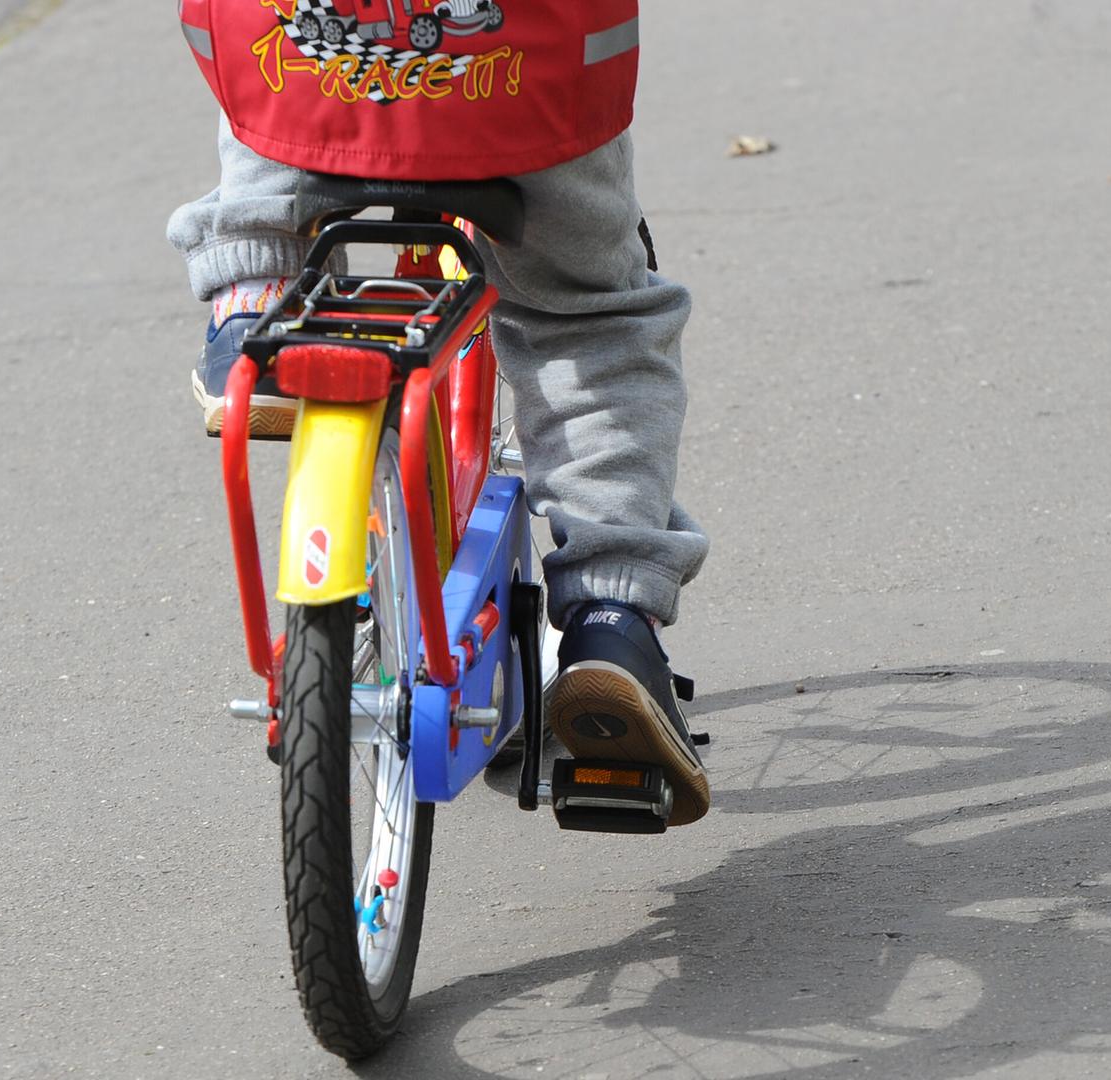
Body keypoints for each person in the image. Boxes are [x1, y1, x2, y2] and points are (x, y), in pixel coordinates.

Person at [171, 1, 711, 825]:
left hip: (316, 65)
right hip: (515, 81)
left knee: (274, 84)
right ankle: (610, 610)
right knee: (588, 314)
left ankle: (257, 290)